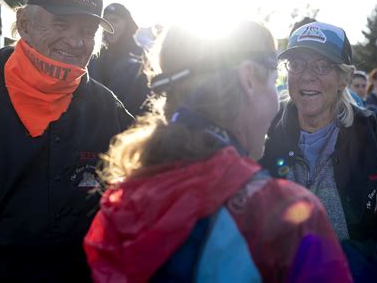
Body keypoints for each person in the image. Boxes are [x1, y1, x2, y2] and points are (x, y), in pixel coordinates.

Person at [83, 21, 352, 282]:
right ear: (249, 80)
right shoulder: (283, 215)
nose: (276, 99)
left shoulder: (123, 196)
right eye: (275, 81)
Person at [0, 0, 133, 282]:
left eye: (87, 31)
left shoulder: (106, 106)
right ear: (24, 25)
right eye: (61, 24)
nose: (75, 41)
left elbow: (147, 174)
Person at [260, 21, 377, 282]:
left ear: (345, 78)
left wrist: (345, 262)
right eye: (297, 63)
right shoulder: (263, 133)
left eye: (321, 66)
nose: (306, 75)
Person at [89, 3, 150, 116]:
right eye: (105, 21)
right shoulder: (92, 57)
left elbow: (146, 104)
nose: (109, 26)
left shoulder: (143, 59)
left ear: (127, 25)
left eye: (114, 20)